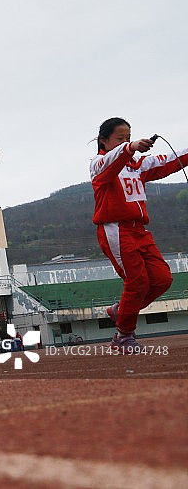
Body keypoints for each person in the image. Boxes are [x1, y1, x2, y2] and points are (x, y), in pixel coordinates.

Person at [90, 118, 188, 351]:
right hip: (115, 229)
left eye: (128, 137)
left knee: (163, 279)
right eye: (120, 138)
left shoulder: (138, 164)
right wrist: (130, 147)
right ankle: (124, 335)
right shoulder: (98, 164)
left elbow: (169, 161)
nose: (126, 141)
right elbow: (110, 162)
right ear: (104, 141)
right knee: (137, 281)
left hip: (139, 230)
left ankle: (119, 312)